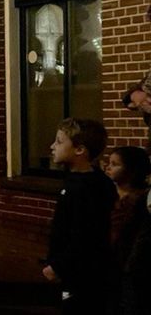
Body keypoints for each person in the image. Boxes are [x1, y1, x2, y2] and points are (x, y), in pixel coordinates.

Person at [41, 118, 116, 313]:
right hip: (77, 269)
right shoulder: (78, 181)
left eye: (59, 141)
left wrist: (59, 266)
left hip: (83, 273)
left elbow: (85, 234)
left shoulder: (87, 188)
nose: (52, 146)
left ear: (80, 150)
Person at [105, 146, 150, 313]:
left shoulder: (139, 200)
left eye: (115, 164)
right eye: (109, 163)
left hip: (128, 262)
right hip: (108, 259)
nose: (108, 167)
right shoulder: (107, 193)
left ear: (131, 171)